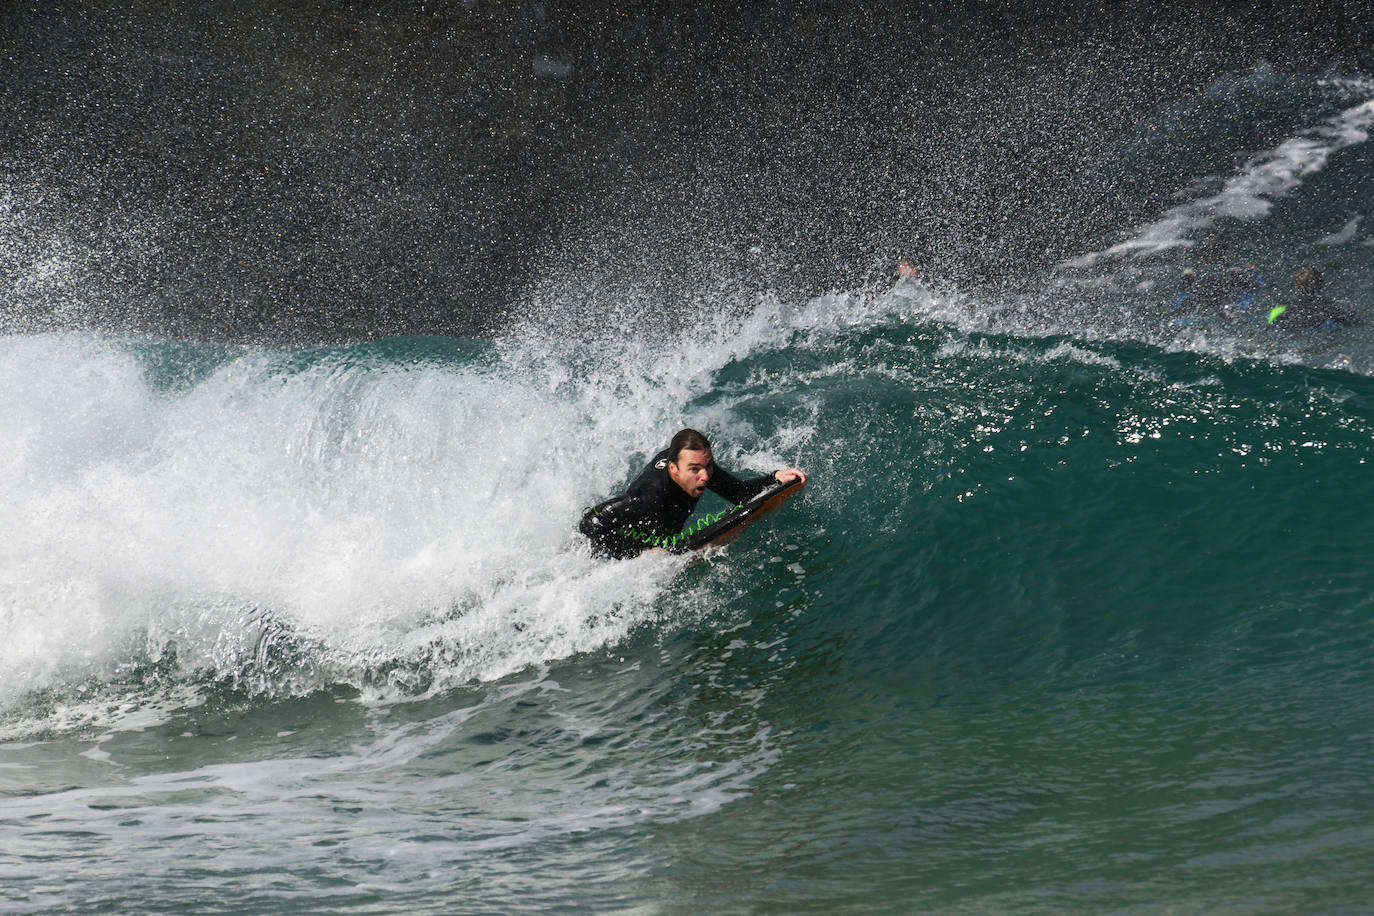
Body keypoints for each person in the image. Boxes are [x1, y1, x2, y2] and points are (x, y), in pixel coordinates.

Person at [579, 428, 807, 559]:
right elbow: (590, 523)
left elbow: (738, 493)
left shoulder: (698, 468)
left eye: (707, 466)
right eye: (695, 469)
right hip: (610, 555)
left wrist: (774, 477)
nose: (706, 477)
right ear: (673, 468)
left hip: (660, 538)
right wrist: (638, 555)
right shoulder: (650, 497)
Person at [1172, 228, 1264, 317]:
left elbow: (1256, 288)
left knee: (1229, 278)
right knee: (1193, 284)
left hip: (1223, 299)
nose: (1210, 249)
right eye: (1207, 247)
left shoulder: (1234, 267)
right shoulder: (1195, 269)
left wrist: (1251, 274)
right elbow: (1185, 294)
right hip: (1205, 299)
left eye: (1215, 247)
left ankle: (1227, 311)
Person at [1267, 265, 1362, 331]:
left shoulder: (1281, 306)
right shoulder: (1326, 305)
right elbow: (1355, 322)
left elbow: (1269, 324)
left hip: (1287, 332)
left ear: (1295, 286)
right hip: (1314, 333)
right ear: (1322, 285)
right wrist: (1352, 312)